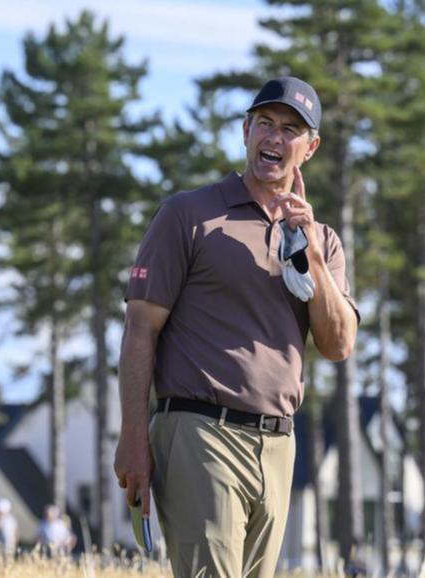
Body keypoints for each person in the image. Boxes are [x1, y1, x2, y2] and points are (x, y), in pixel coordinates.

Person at [114, 76, 359, 578]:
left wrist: (309, 250)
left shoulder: (324, 241)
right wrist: (134, 436)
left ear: (309, 149)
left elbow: (338, 345)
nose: (274, 138)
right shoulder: (189, 215)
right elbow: (141, 329)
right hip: (199, 432)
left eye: (290, 130)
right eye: (265, 123)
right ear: (245, 130)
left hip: (278, 445)